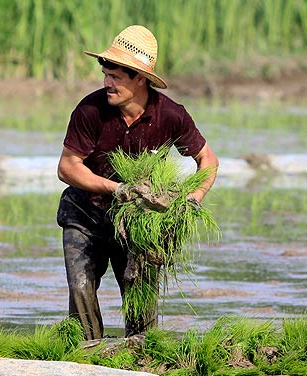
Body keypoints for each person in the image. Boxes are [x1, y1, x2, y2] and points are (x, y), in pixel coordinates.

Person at [56, 25, 219, 340]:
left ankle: (140, 356)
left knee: (140, 299)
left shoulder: (171, 116)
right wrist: (116, 188)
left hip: (136, 221)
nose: (107, 82)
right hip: (85, 214)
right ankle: (86, 357)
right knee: (80, 288)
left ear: (140, 79)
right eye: (105, 74)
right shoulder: (90, 111)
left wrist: (194, 197)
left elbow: (208, 160)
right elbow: (67, 167)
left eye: (115, 77)